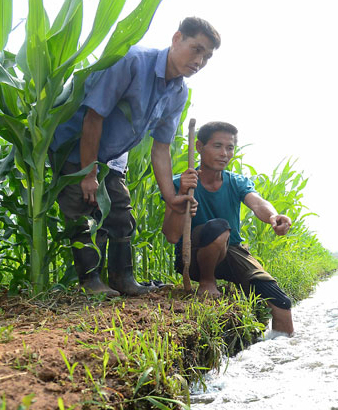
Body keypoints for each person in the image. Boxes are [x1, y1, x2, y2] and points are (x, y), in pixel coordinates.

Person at [50, 17, 221, 296]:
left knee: (120, 214)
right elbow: (93, 117)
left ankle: (123, 280)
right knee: (82, 210)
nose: (200, 61)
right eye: (196, 49)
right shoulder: (132, 61)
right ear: (177, 39)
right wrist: (88, 173)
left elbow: (161, 147)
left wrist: (171, 197)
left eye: (207, 56)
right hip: (74, 145)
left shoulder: (178, 92)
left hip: (112, 157)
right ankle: (90, 283)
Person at [162, 121, 295, 336]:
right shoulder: (181, 183)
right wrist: (182, 197)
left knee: (281, 303)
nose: (225, 153)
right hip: (194, 254)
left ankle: (280, 352)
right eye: (217, 146)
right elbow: (171, 235)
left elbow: (258, 203)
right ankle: (207, 282)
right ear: (199, 147)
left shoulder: (236, 182)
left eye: (230, 147)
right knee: (219, 227)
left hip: (232, 251)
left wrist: (273, 216)